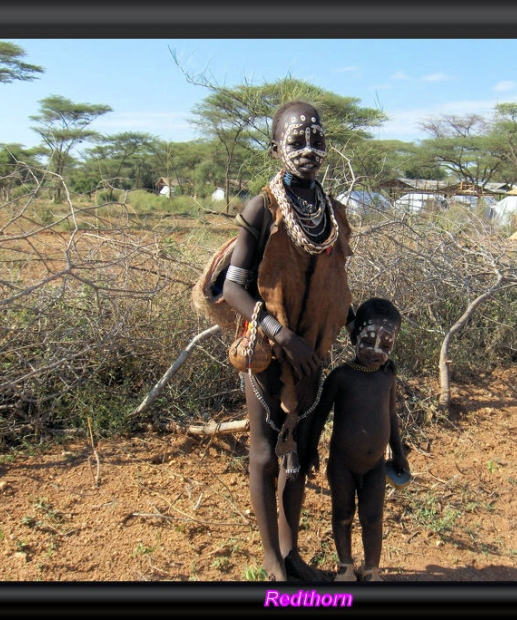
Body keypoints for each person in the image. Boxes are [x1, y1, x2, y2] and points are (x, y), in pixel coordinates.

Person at [221, 100, 354, 581]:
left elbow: (334, 281)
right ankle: (272, 562)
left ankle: (291, 551)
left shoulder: (333, 213)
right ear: (275, 148)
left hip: (313, 355)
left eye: (317, 140)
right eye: (297, 141)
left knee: (297, 454)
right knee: (263, 452)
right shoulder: (263, 208)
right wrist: (282, 335)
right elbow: (231, 287)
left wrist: (353, 322)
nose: (309, 149)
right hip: (269, 353)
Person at [305, 297, 409, 582]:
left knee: (373, 518)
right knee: (343, 514)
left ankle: (372, 570)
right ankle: (345, 568)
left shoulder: (387, 377)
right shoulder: (341, 377)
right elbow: (320, 415)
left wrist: (398, 453)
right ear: (354, 338)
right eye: (368, 342)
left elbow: (392, 418)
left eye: (386, 346)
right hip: (342, 464)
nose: (376, 352)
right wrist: (311, 449)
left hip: (376, 464)